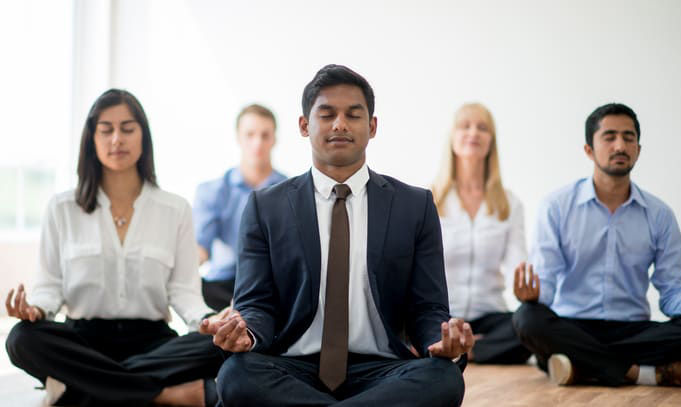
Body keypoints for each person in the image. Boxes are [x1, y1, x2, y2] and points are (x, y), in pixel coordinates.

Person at [201, 64, 473, 406]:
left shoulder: (414, 206)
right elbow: (256, 304)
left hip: (382, 369)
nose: (340, 124)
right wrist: (247, 335)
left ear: (372, 127)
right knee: (237, 375)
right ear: (304, 125)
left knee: (444, 378)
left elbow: (428, 306)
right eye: (327, 114)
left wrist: (441, 339)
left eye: (353, 115)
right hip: (292, 365)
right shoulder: (265, 207)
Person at [4, 89, 226, 406]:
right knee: (21, 339)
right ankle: (163, 395)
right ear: (92, 139)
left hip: (152, 342)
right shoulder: (62, 207)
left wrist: (209, 320)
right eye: (106, 130)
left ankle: (77, 391)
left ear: (143, 136)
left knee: (218, 345)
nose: (116, 139)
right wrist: (35, 309)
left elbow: (185, 292)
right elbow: (49, 286)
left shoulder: (175, 209)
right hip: (83, 341)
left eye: (127, 128)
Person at [512, 103, 681, 387]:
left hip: (632, 330)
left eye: (628, 137)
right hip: (574, 325)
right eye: (609, 137)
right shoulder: (557, 207)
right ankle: (646, 373)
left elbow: (671, 291)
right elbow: (546, 283)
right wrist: (533, 298)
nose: (620, 145)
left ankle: (581, 366)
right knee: (527, 319)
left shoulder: (659, 214)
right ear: (589, 149)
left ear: (638, 149)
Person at [431, 103, 531, 364]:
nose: (473, 133)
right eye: (465, 126)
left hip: (491, 317)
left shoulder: (509, 203)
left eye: (482, 128)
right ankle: (465, 346)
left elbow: (517, 265)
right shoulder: (428, 199)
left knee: (531, 326)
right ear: (452, 138)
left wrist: (526, 291)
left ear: (491, 142)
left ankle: (466, 350)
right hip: (442, 315)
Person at [193, 104, 286, 311]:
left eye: (265, 135)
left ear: (274, 139)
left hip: (269, 288)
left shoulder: (290, 192)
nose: (257, 143)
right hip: (221, 288)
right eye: (250, 135)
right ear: (238, 138)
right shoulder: (212, 191)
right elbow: (200, 249)